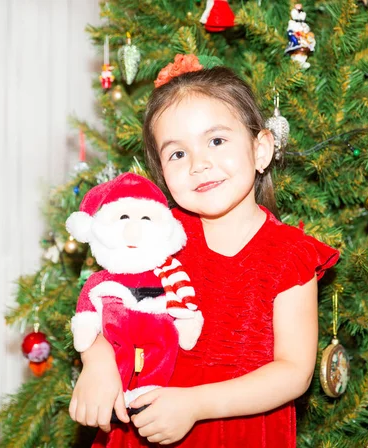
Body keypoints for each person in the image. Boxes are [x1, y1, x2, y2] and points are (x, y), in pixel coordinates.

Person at [69, 55, 340, 447]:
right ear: (162, 172)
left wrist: (195, 405)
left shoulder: (289, 255)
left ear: (260, 148)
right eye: (178, 153)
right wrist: (97, 362)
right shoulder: (157, 237)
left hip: (242, 432)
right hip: (143, 428)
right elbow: (101, 303)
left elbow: (294, 372)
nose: (199, 164)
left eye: (216, 140)